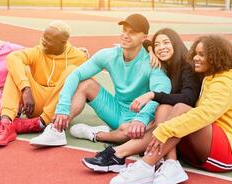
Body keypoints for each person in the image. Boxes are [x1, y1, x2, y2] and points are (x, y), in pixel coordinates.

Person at [109, 35, 232, 184]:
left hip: (227, 154)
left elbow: (204, 115)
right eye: (196, 53)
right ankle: (170, 164)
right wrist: (151, 49)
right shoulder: (209, 78)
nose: (196, 58)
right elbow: (145, 40)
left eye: (201, 55)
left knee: (181, 109)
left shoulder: (224, 83)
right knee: (166, 108)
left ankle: (146, 165)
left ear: (215, 57)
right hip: (203, 149)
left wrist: (164, 129)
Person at [82, 28, 201, 184]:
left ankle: (119, 153)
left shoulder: (187, 66)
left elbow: (188, 99)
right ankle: (98, 135)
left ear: (176, 44)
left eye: (166, 43)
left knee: (162, 110)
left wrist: (153, 95)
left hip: (185, 124)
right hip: (167, 122)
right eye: (157, 44)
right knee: (130, 128)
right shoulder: (162, 62)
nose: (161, 47)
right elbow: (144, 42)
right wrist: (151, 49)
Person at [29, 13, 171, 146]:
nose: (126, 35)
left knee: (131, 133)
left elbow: (161, 91)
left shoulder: (152, 63)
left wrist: (142, 118)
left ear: (144, 37)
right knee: (85, 83)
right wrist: (63, 108)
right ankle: (56, 130)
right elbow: (76, 75)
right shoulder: (108, 55)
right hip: (115, 110)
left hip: (138, 117)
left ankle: (95, 133)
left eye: (132, 32)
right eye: (124, 30)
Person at [0, 20, 88, 146]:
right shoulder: (39, 50)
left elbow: (85, 89)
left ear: (63, 43)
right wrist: (26, 88)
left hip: (56, 109)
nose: (43, 41)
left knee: (73, 71)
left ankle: (41, 123)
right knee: (17, 69)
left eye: (49, 39)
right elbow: (12, 57)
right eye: (44, 37)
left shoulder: (79, 57)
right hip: (33, 103)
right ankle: (6, 123)